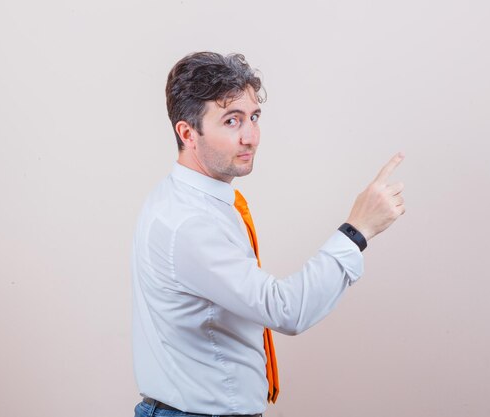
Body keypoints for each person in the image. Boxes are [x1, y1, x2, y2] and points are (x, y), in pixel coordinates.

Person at [131, 52, 406, 417]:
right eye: (232, 121)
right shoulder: (188, 223)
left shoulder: (192, 201)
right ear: (187, 133)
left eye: (253, 118)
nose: (251, 137)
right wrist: (357, 231)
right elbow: (285, 310)